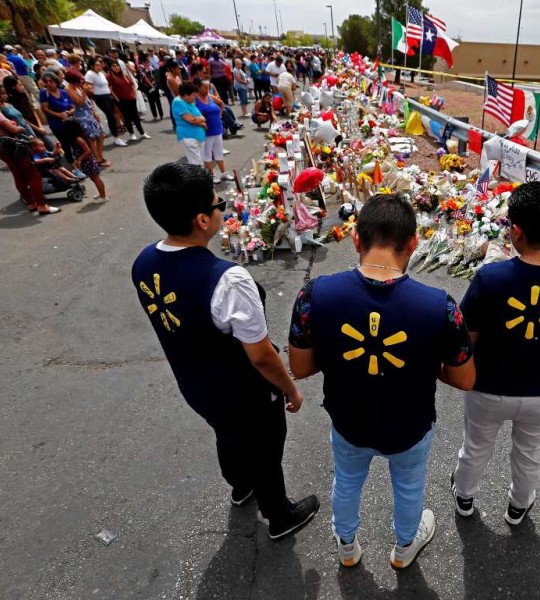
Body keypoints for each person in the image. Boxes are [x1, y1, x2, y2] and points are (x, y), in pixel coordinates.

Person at [132, 162, 320, 539]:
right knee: (265, 448)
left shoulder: (144, 262)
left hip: (196, 385)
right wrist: (290, 389)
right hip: (244, 393)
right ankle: (279, 514)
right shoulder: (228, 281)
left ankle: (240, 485)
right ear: (202, 220)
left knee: (227, 435)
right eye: (218, 205)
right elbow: (261, 355)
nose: (223, 209)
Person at [288, 193, 475, 570]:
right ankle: (404, 547)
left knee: (346, 481)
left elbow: (301, 367)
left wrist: (339, 353)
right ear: (414, 243)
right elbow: (465, 377)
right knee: (409, 487)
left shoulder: (314, 295)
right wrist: (424, 363)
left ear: (356, 239)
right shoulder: (440, 307)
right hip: (410, 426)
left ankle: (346, 545)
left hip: (349, 421)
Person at [451, 182, 540, 526]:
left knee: (476, 446)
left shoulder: (490, 277)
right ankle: (518, 506)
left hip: (488, 387)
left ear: (516, 231)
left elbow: (466, 337)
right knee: (531, 454)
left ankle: (465, 496)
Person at [0, 80, 59, 214]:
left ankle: (31, 203)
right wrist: (18, 127)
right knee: (33, 174)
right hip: (11, 144)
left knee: (18, 174)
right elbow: (14, 130)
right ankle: (41, 205)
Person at [65, 71, 109, 167]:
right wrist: (84, 91)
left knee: (100, 136)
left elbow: (88, 100)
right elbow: (79, 102)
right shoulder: (68, 89)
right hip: (81, 116)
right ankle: (97, 159)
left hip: (89, 114)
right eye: (79, 81)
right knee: (91, 139)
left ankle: (100, 157)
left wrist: (94, 112)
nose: (81, 83)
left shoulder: (78, 87)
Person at [193, 78, 231, 185]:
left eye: (208, 88)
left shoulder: (209, 96)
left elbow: (221, 103)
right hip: (206, 131)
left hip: (217, 129)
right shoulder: (195, 99)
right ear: (199, 88)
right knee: (207, 154)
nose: (207, 90)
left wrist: (219, 115)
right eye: (205, 88)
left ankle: (223, 172)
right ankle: (211, 175)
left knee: (218, 152)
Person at [61, 118, 108, 201]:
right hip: (85, 162)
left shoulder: (78, 139)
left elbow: (88, 151)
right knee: (93, 178)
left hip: (88, 161)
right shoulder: (74, 139)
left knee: (96, 178)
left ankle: (103, 196)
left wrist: (79, 159)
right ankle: (101, 193)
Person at [85, 56, 125, 147]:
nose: (100, 67)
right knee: (111, 117)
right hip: (100, 98)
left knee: (114, 116)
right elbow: (88, 88)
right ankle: (116, 138)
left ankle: (116, 136)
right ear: (92, 66)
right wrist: (91, 100)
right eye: (97, 65)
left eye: (100, 65)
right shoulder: (90, 74)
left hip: (108, 96)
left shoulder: (101, 73)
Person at [106, 60, 150, 142]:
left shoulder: (124, 75)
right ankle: (132, 134)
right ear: (110, 68)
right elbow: (110, 89)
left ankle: (142, 132)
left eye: (117, 66)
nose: (116, 67)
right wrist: (117, 99)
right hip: (121, 100)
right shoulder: (110, 77)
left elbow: (132, 84)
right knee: (127, 117)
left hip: (131, 98)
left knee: (136, 116)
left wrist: (134, 94)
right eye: (114, 66)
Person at [172, 81, 207, 165]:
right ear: (185, 95)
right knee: (196, 163)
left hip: (197, 135)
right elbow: (191, 120)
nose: (195, 98)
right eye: (193, 95)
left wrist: (201, 120)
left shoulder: (188, 102)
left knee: (200, 162)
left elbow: (197, 117)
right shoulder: (178, 102)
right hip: (189, 136)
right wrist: (202, 120)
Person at [138, 53, 163, 121]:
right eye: (148, 57)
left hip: (154, 84)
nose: (149, 58)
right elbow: (144, 77)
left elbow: (154, 74)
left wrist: (155, 82)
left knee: (157, 100)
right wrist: (151, 84)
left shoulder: (150, 65)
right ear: (145, 58)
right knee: (151, 101)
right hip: (148, 86)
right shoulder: (141, 66)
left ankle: (161, 114)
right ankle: (155, 115)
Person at [164, 59, 182, 131]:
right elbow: (178, 93)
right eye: (178, 69)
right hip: (179, 102)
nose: (180, 70)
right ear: (172, 69)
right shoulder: (171, 79)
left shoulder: (176, 76)